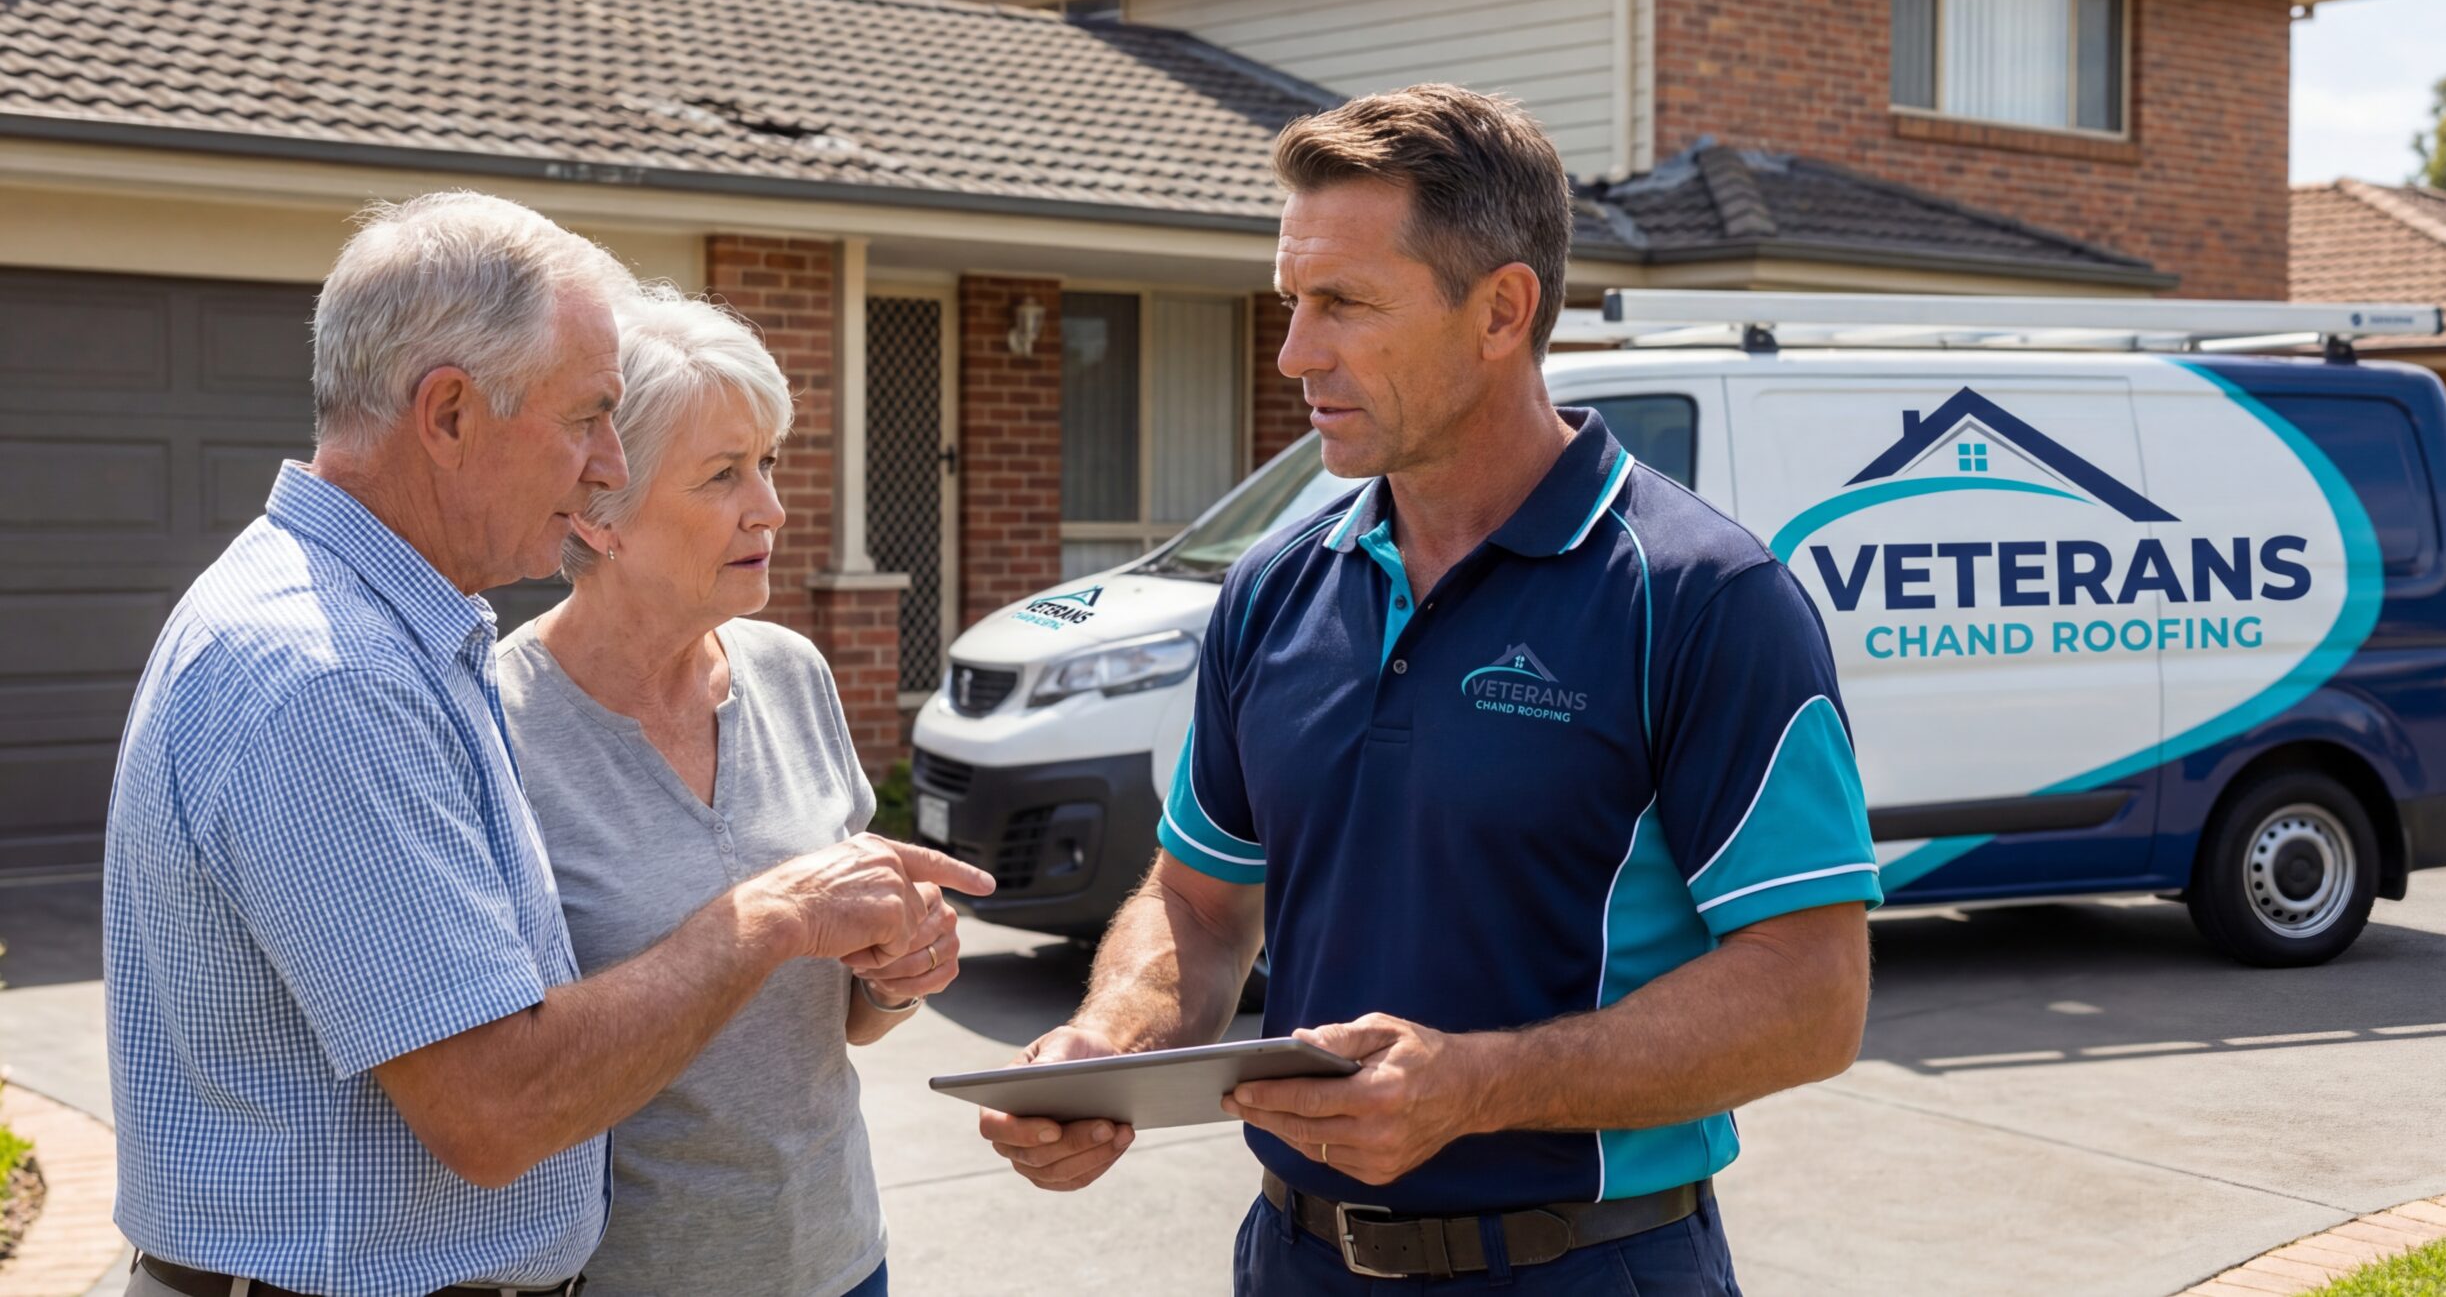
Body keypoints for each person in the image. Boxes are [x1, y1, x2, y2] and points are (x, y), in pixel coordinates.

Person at [979, 86, 1880, 1294]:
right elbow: (1197, 907)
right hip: (1294, 1258)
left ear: (1501, 309)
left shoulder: (1704, 596)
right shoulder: (1273, 590)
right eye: (1291, 303)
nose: (1296, 353)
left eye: (1344, 303)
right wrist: (1104, 1047)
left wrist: (1479, 1084)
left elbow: (1812, 992)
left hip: (1587, 1263)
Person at [102, 191, 989, 1297]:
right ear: (451, 413)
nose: (602, 465)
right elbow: (498, 1107)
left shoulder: (398, 641)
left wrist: (878, 962)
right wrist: (770, 915)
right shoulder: (332, 676)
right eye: (585, 419)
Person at [494, 288, 946, 1297]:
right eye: (721, 476)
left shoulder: (791, 673)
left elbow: (841, 1016)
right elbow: (500, 1082)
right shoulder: (497, 727)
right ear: (599, 511)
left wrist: (895, 968)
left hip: (838, 1257)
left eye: (769, 463)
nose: (770, 509)